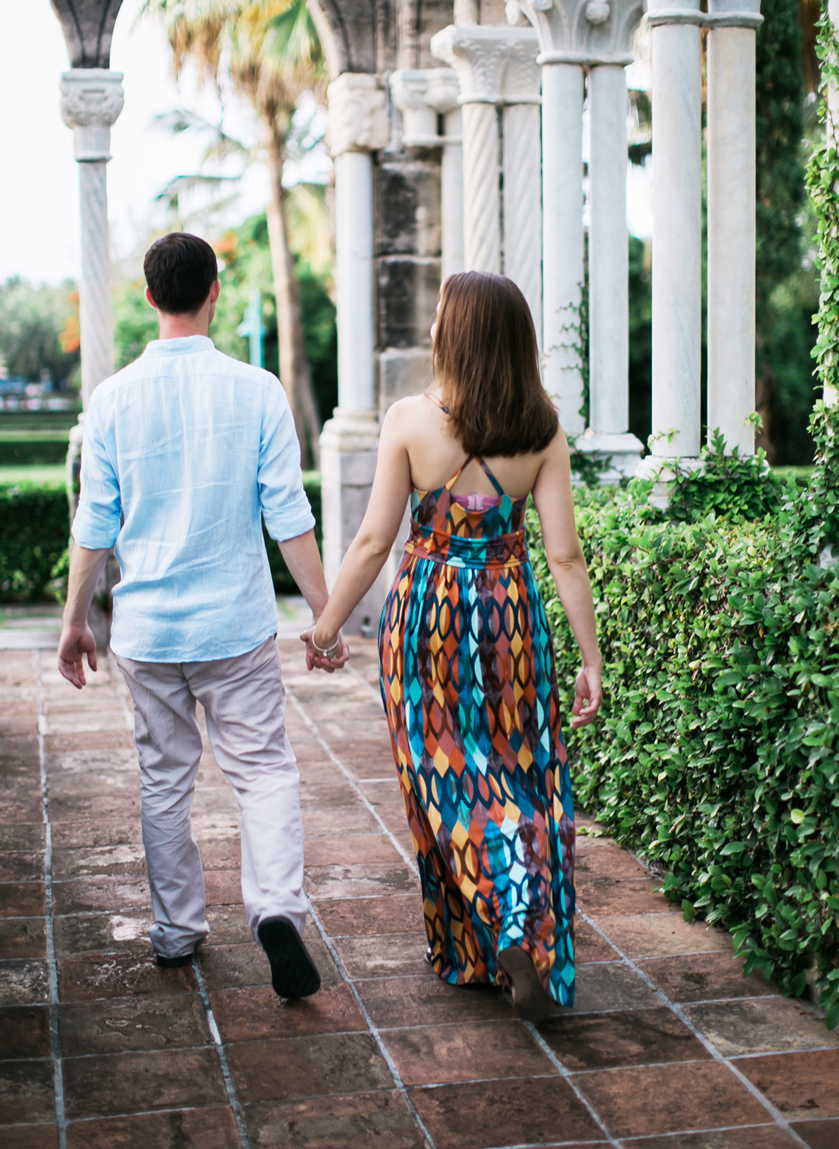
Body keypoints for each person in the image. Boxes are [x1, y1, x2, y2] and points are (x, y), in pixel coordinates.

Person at [303, 270, 603, 1020]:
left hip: (426, 621)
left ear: (456, 334)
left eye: (440, 314)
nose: (432, 324)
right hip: (510, 619)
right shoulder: (542, 426)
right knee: (518, 771)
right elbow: (564, 555)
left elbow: (374, 540)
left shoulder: (408, 420)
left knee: (443, 777)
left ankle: (488, 933)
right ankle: (516, 918)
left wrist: (328, 623)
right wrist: (591, 657)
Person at [59, 231, 334, 1000]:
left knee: (163, 780)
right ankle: (276, 907)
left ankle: (177, 930)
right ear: (214, 290)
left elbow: (95, 525)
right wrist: (323, 615)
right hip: (235, 628)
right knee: (264, 772)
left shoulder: (111, 399)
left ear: (148, 298)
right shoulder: (257, 390)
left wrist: (75, 620)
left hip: (147, 634)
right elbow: (288, 513)